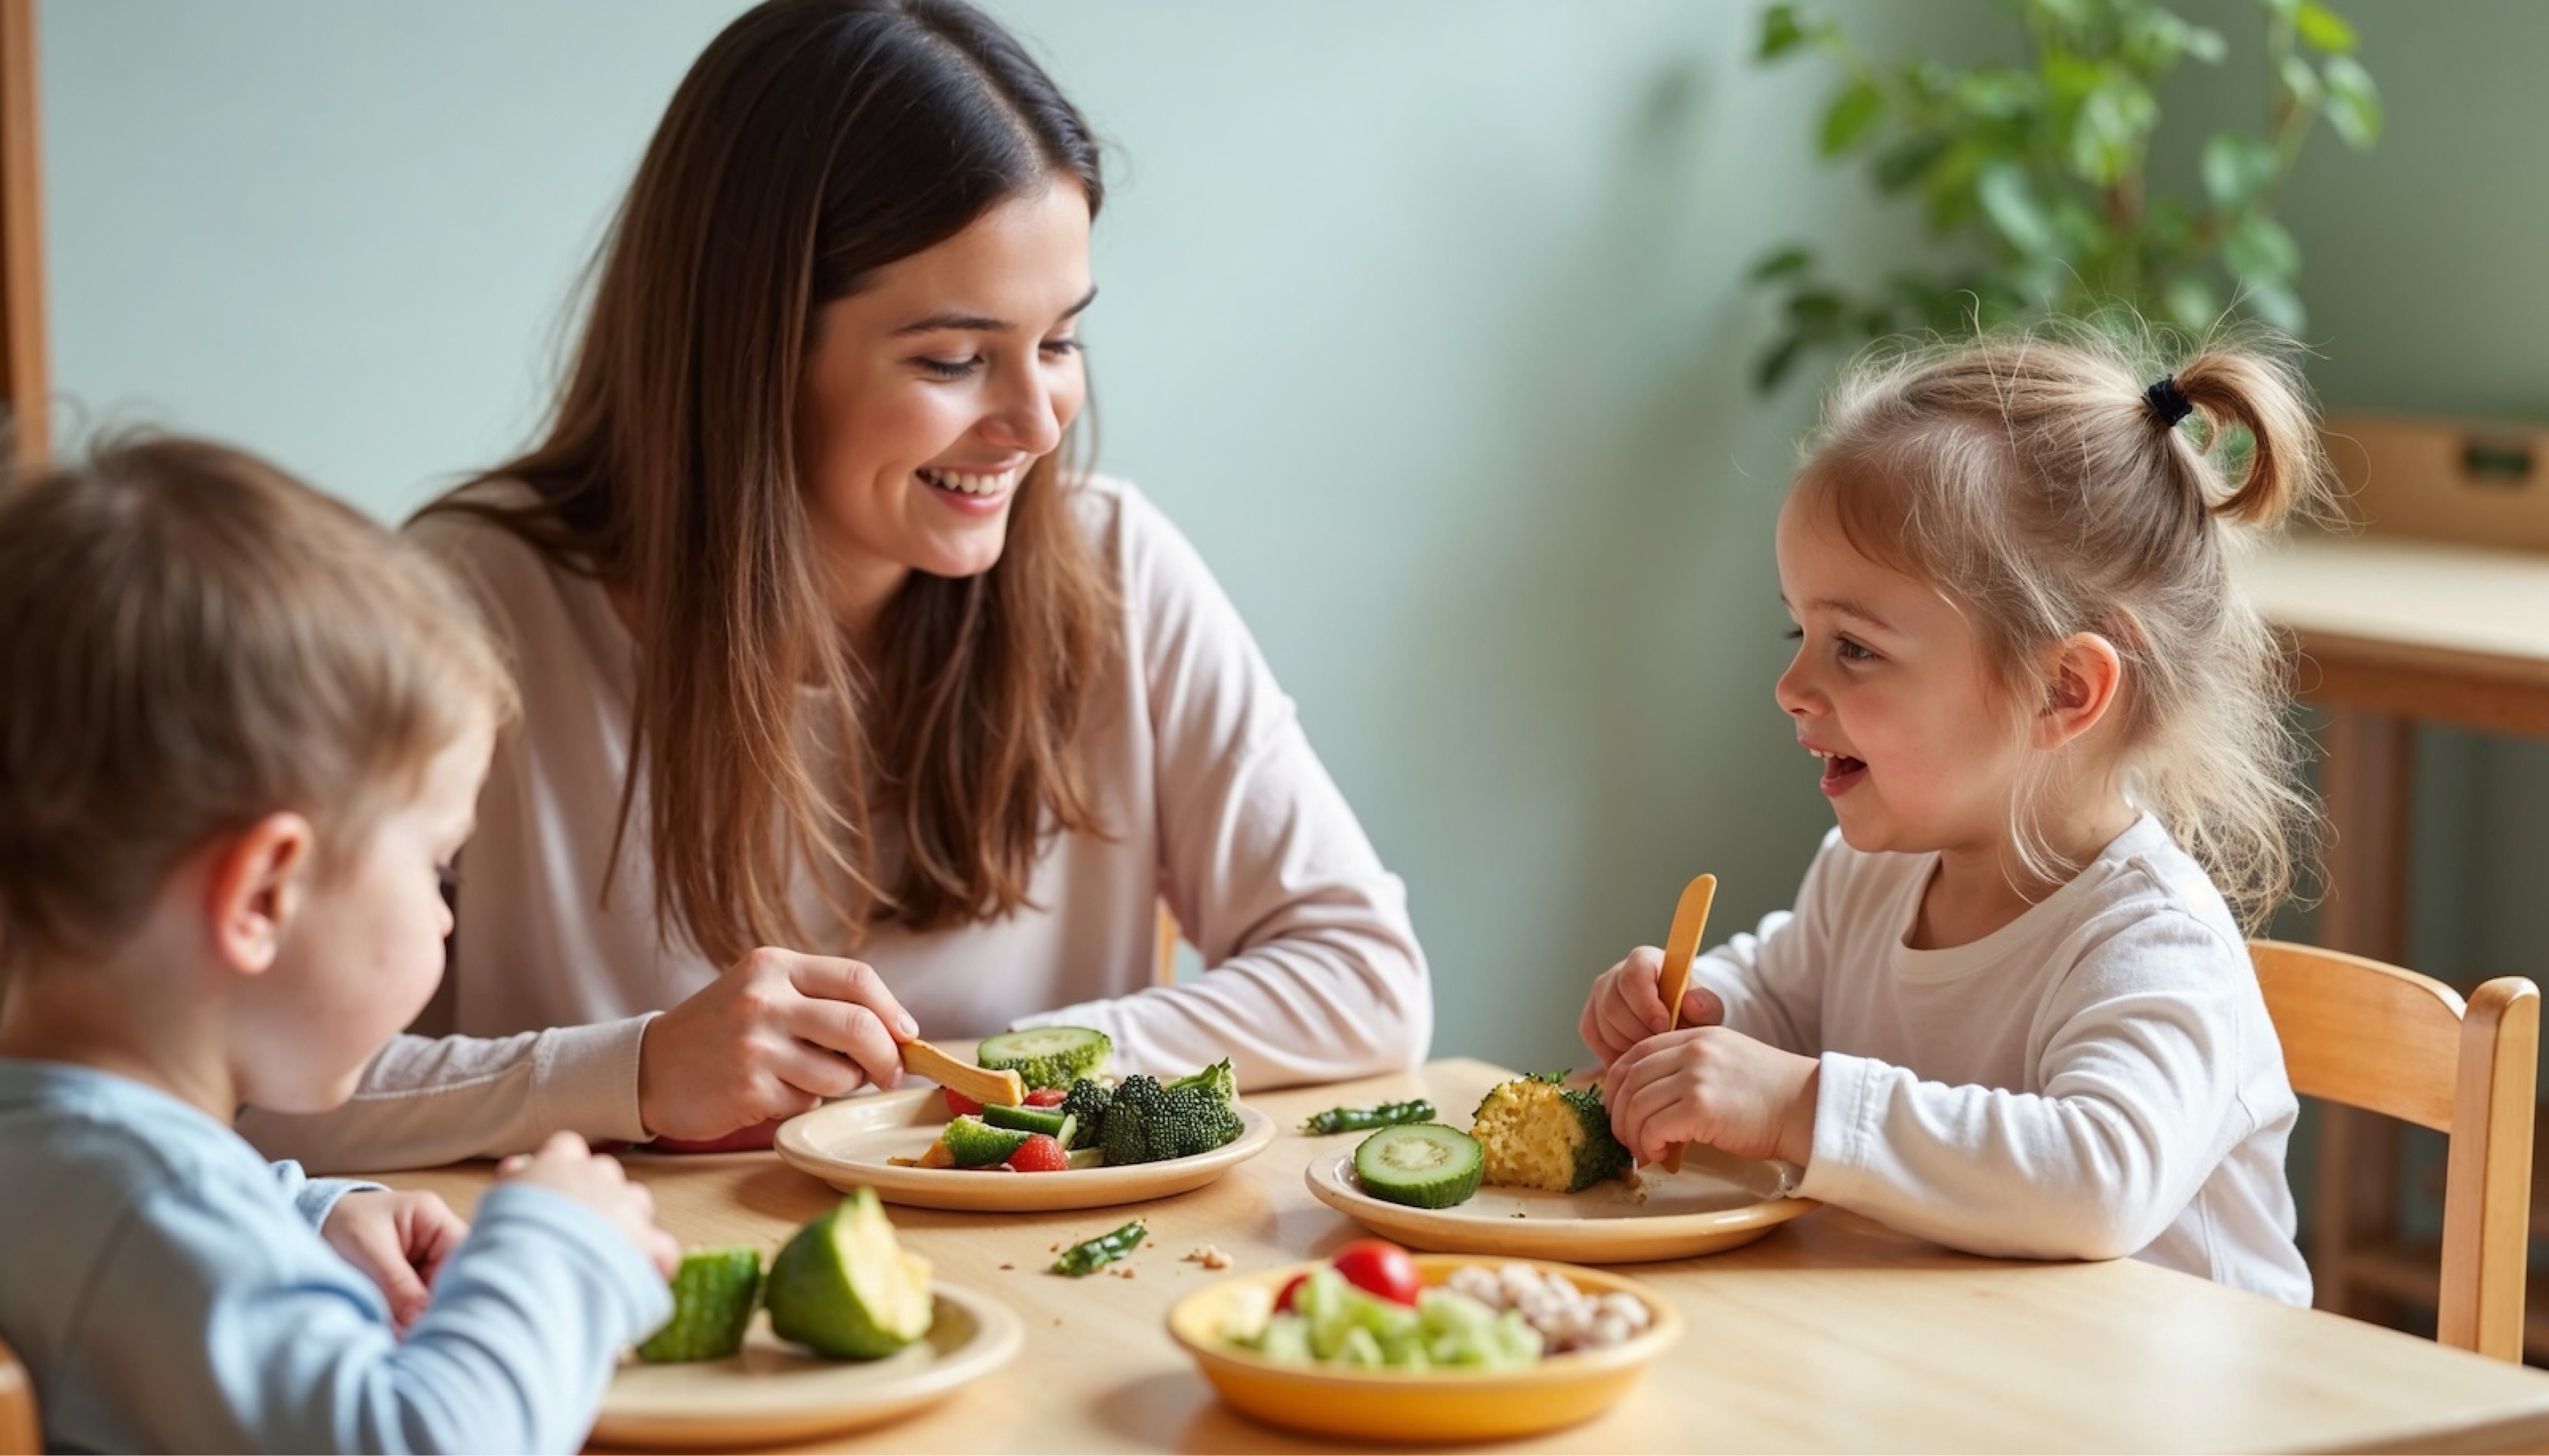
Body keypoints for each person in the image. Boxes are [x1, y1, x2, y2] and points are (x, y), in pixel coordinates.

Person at [242, 0, 1427, 1171]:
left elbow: (1365, 978)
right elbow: (244, 1076)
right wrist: (637, 1070)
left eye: (1059, 342)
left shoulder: (1116, 568)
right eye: (956, 359)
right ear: (754, 348)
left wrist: (1004, 1065)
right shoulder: (471, 607)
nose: (1035, 422)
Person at [1579, 323, 2327, 1304]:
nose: (1791, 686)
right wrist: (1700, 1016)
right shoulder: (1869, 875)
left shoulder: (2155, 943)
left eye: (1853, 646)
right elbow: (1786, 1001)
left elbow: (2096, 1178)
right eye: (1797, 629)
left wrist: (1793, 1104)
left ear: (2064, 691)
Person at [0, 437, 680, 1452]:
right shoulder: (153, 1210)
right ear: (265, 893)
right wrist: (557, 1252)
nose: (445, 914)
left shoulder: (66, 1147)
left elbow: (156, 1242)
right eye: (436, 868)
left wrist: (308, 1215)